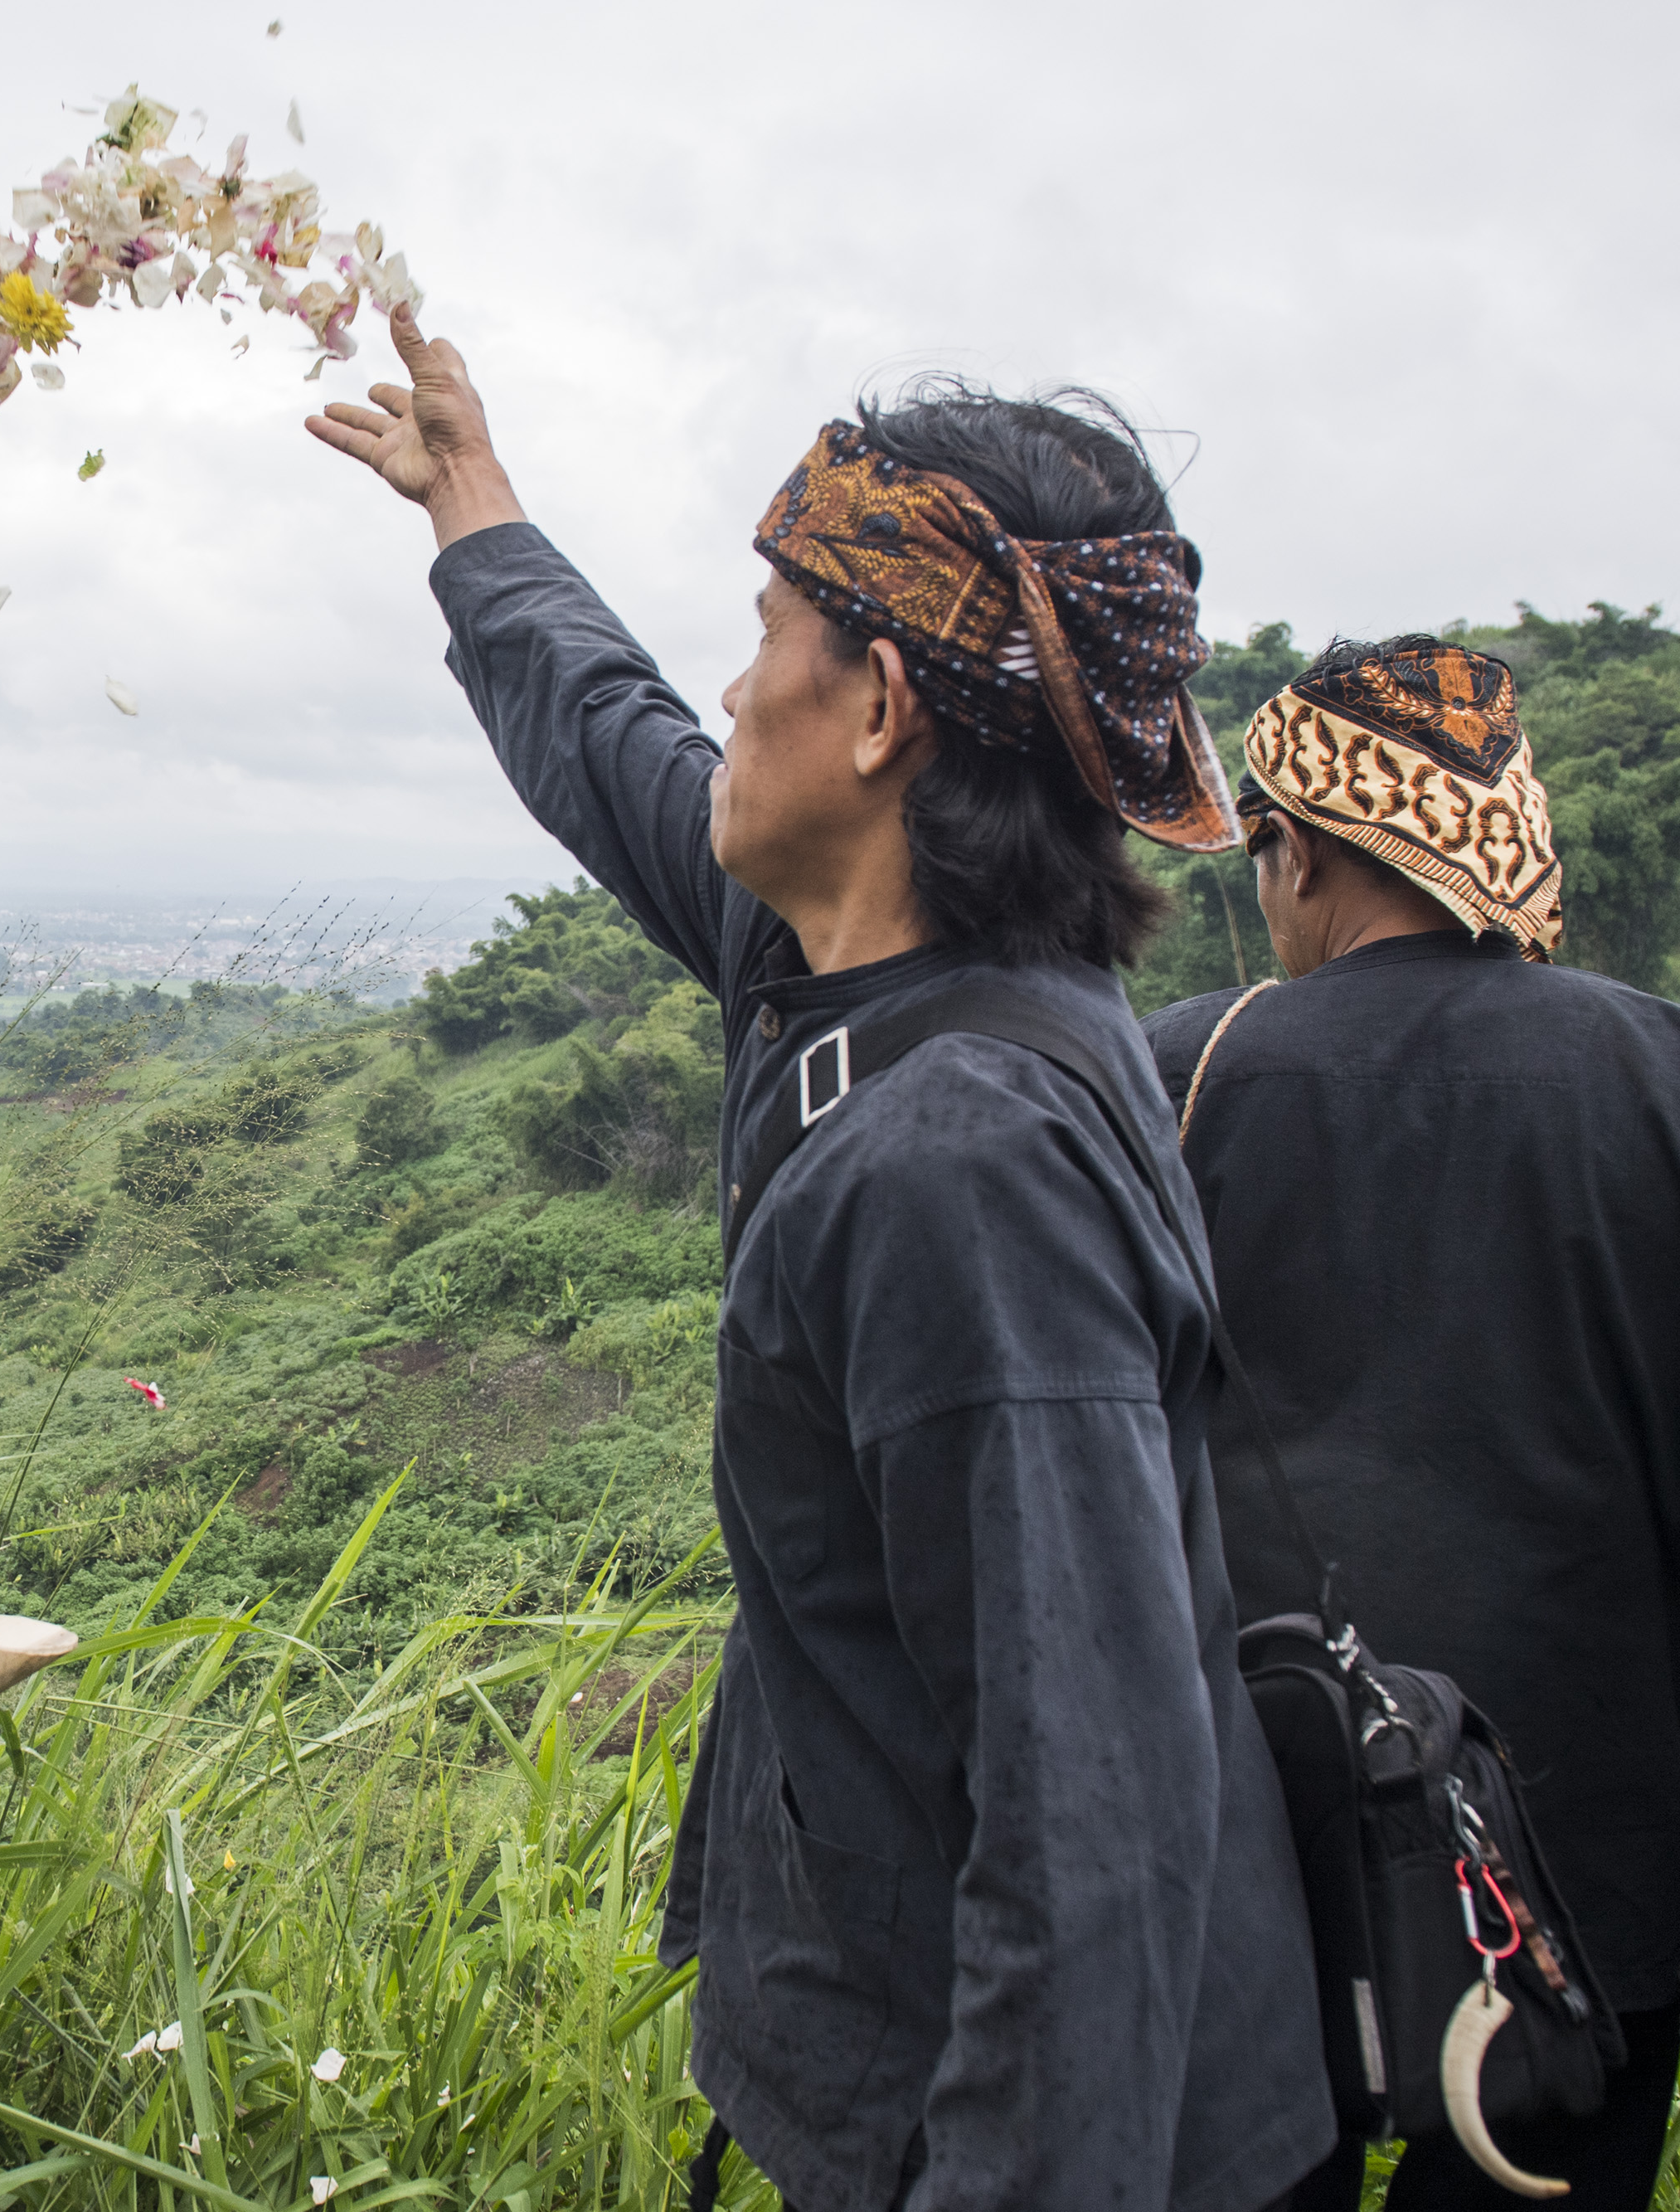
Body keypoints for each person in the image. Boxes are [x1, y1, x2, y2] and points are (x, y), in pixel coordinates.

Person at [308, 314, 1333, 2210]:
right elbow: (626, 752)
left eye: (766, 632)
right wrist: (472, 510)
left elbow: (1086, 1829)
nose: (731, 679)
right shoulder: (907, 988)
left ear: (875, 713)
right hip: (926, 2050)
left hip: (1019, 2128)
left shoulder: (960, 1168)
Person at [1145, 638, 1680, 2210]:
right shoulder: (1653, 1071)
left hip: (1257, 1854)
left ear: (1297, 850)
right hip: (1589, 1887)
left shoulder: (1177, 1074)